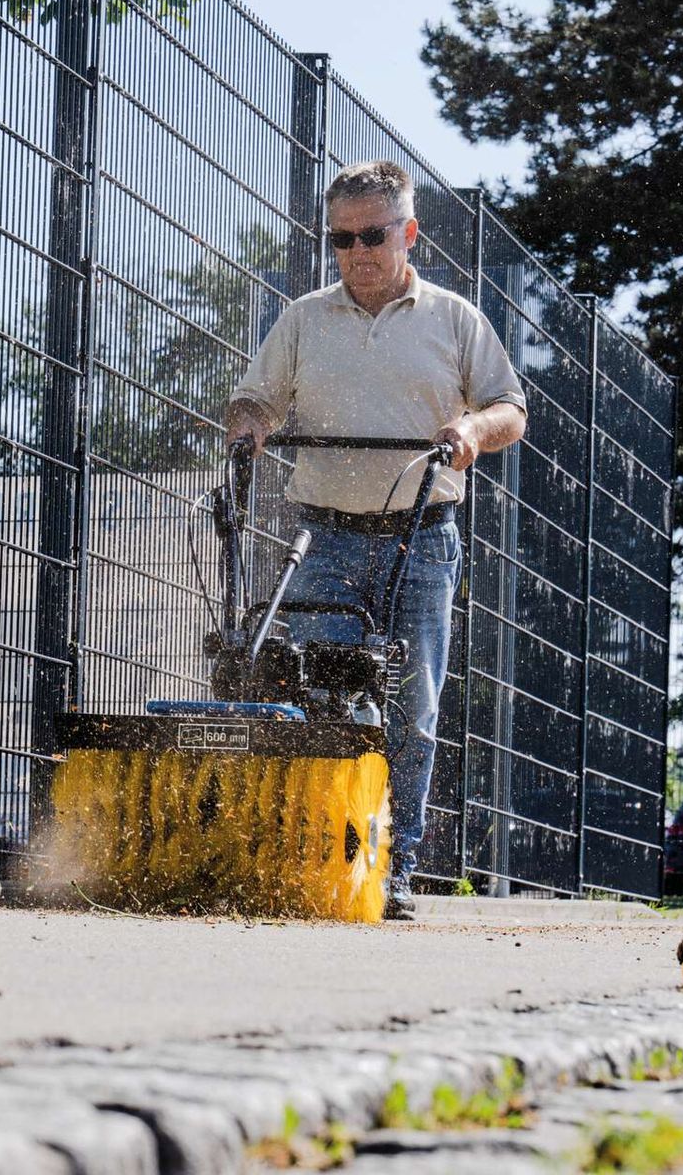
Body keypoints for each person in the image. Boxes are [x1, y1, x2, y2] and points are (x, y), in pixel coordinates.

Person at [225, 160, 526, 919]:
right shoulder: (303, 319)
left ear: (409, 232)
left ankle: (395, 863)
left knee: (412, 706)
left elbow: (509, 408)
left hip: (422, 540)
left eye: (372, 235)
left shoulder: (454, 319)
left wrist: (468, 430)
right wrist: (252, 426)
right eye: (341, 238)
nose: (356, 251)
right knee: (320, 692)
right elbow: (255, 397)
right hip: (324, 537)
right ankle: (323, 853)